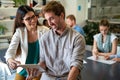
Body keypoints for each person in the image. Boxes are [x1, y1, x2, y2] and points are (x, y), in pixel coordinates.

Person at [26, 1, 85, 80]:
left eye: (52, 18)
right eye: (47, 20)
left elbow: (76, 66)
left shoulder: (77, 38)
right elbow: (43, 62)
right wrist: (36, 71)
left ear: (61, 16)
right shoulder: (44, 38)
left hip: (67, 77)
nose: (49, 23)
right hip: (49, 77)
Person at [4, 5, 49, 80]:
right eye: (28, 19)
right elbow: (10, 52)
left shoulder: (45, 31)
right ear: (22, 20)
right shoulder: (19, 32)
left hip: (38, 69)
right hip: (23, 69)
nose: (33, 20)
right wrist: (10, 60)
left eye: (33, 16)